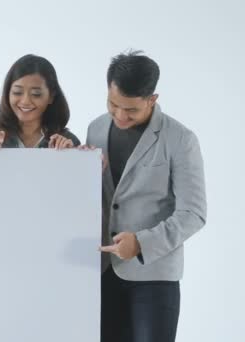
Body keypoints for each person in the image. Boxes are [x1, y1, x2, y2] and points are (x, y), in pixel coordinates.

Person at [86, 51, 207, 342]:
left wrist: (141, 243)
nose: (120, 116)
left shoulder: (180, 139)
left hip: (154, 276)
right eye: (113, 104)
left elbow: (194, 213)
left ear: (152, 99)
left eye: (131, 110)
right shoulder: (96, 129)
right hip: (101, 272)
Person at [0, 54, 80, 149]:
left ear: (51, 97)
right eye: (17, 92)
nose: (25, 101)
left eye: (36, 94)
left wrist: (70, 155)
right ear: (8, 93)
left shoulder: (67, 141)